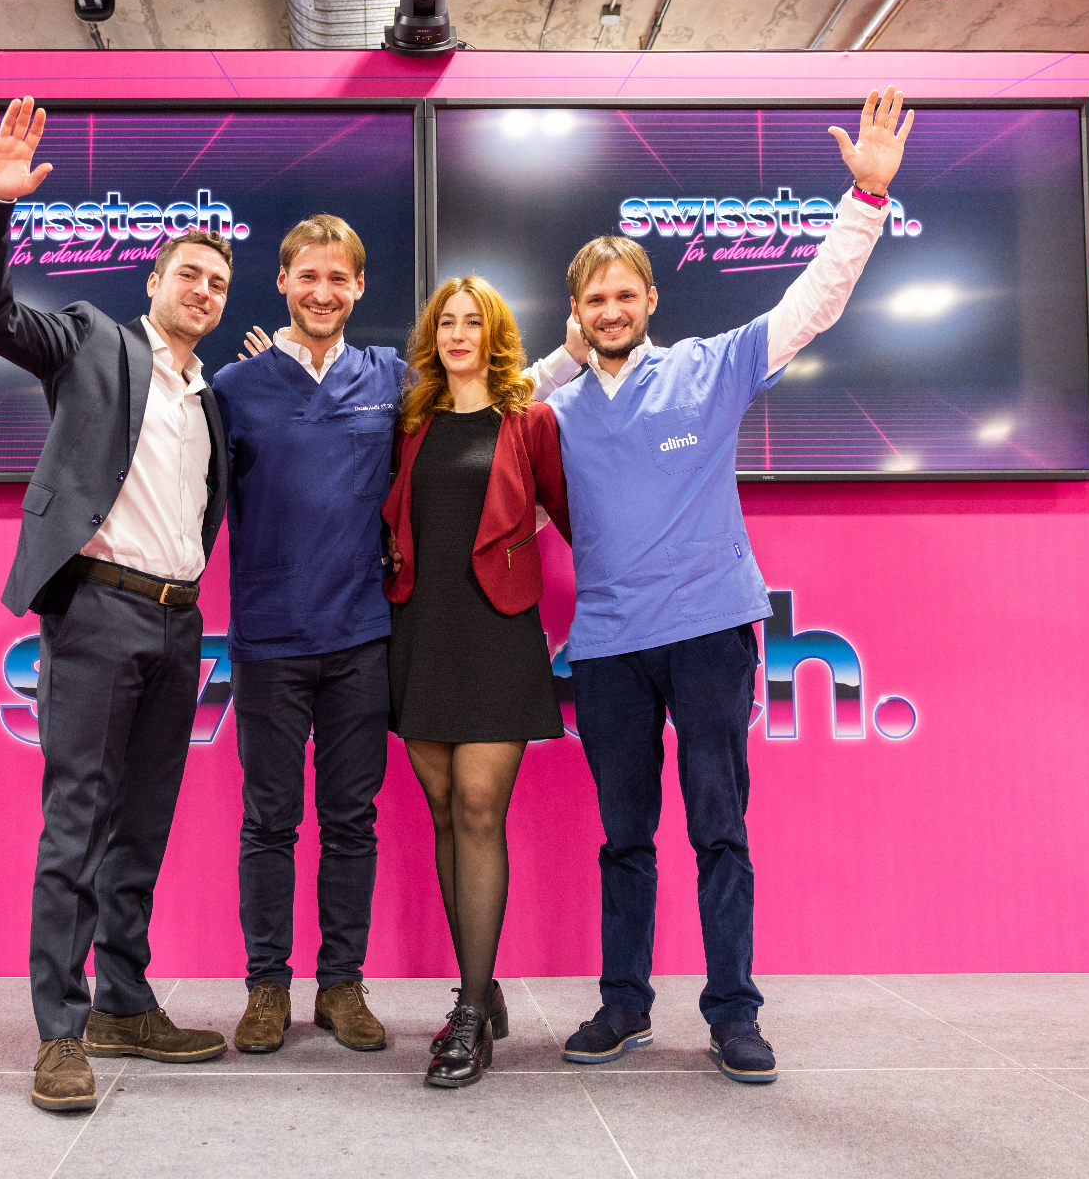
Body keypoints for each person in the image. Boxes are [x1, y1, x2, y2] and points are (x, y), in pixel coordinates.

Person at [546, 87, 916, 1083]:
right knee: (625, 840)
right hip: (608, 648)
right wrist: (558, 363)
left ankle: (733, 1014)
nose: (611, 310)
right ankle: (624, 1006)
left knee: (720, 830)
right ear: (576, 316)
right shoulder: (557, 412)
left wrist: (865, 200)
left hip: (710, 634)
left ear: (649, 302)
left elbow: (813, 305)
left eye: (625, 295)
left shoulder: (709, 369)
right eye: (593, 301)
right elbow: (491, 410)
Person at [213, 225, 587, 1056]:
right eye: (307, 276)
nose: (322, 291)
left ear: (358, 286)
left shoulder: (391, 381)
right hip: (270, 640)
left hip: (363, 638)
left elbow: (489, 393)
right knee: (269, 822)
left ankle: (341, 986)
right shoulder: (237, 386)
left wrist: (566, 358)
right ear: (282, 282)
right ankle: (267, 987)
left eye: (337, 277)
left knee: (352, 821)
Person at [0, 96, 233, 1112]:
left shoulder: (211, 398)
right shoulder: (90, 341)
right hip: (99, 613)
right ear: (152, 282)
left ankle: (123, 1003)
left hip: (180, 621)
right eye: (188, 275)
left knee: (142, 826)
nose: (202, 291)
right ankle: (60, 1033)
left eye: (218, 282)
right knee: (77, 822)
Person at [381, 276, 572, 1088]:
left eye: (474, 322)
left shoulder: (530, 420)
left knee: (480, 806)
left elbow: (572, 516)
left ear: (495, 336)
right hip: (421, 630)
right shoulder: (411, 422)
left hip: (498, 634)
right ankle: (482, 984)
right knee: (443, 811)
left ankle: (468, 1013)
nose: (459, 334)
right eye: (446, 323)